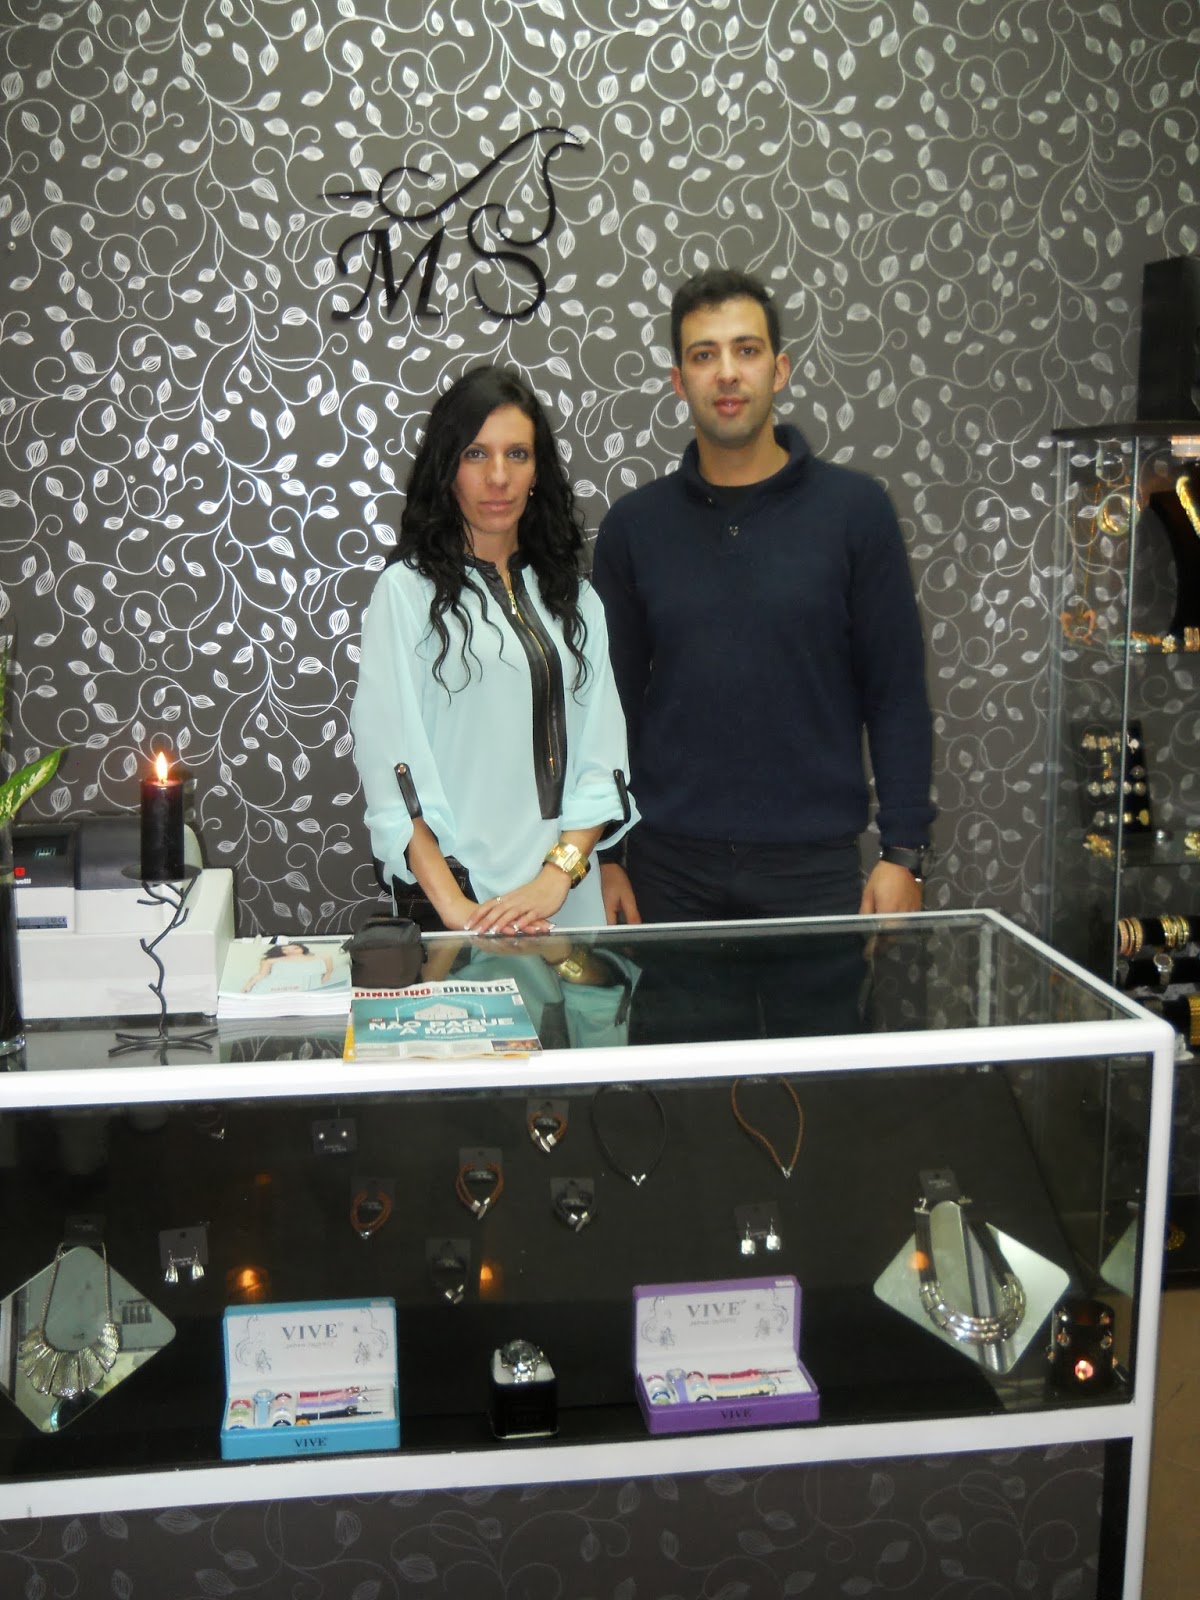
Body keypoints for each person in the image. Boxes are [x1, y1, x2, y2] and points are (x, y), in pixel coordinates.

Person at [591, 267, 935, 924]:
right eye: (704, 355)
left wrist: (904, 852)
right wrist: (607, 854)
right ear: (679, 381)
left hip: (815, 870)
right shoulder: (635, 528)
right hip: (667, 870)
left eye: (745, 350)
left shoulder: (856, 512)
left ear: (779, 370)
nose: (726, 373)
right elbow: (610, 708)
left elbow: (895, 694)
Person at [351, 365, 635, 935]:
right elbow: (390, 769)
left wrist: (557, 877)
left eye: (517, 455)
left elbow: (603, 758)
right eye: (476, 454)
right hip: (457, 904)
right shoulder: (406, 593)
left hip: (563, 901)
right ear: (447, 468)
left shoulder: (576, 600)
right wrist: (459, 911)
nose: (499, 476)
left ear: (538, 471)